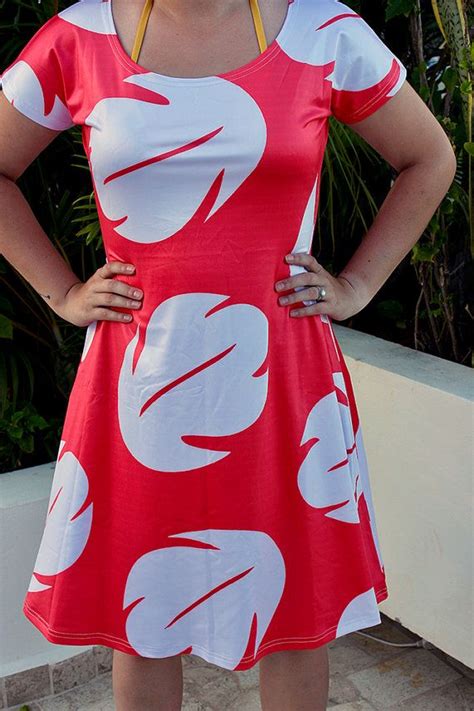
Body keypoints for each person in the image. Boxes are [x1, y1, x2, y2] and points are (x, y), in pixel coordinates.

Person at [0, 0, 456, 709]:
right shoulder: (80, 35)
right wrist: (60, 291)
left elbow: (430, 157)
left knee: (295, 622)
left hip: (285, 377)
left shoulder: (322, 31)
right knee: (142, 621)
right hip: (135, 387)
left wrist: (358, 283)